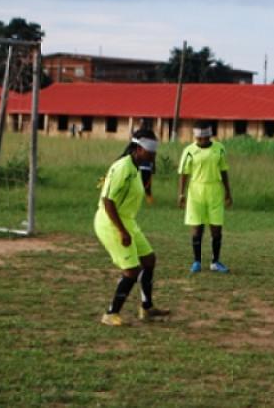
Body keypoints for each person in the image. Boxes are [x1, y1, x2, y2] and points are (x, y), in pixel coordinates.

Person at [95, 129, 170, 326]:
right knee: (131, 270)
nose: (154, 156)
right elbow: (108, 201)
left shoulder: (136, 167)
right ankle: (111, 314)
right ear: (138, 148)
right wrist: (121, 230)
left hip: (127, 221)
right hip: (111, 222)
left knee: (149, 259)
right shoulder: (122, 168)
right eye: (150, 152)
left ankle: (146, 308)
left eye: (155, 152)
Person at [178, 121, 233, 273]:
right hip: (196, 191)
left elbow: (224, 171)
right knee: (197, 228)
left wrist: (228, 192)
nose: (201, 141)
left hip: (215, 190)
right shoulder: (189, 151)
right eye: (199, 138)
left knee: (216, 228)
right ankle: (197, 262)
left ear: (210, 135)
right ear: (195, 136)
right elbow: (184, 173)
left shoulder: (219, 148)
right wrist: (181, 194)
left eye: (205, 137)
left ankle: (215, 262)